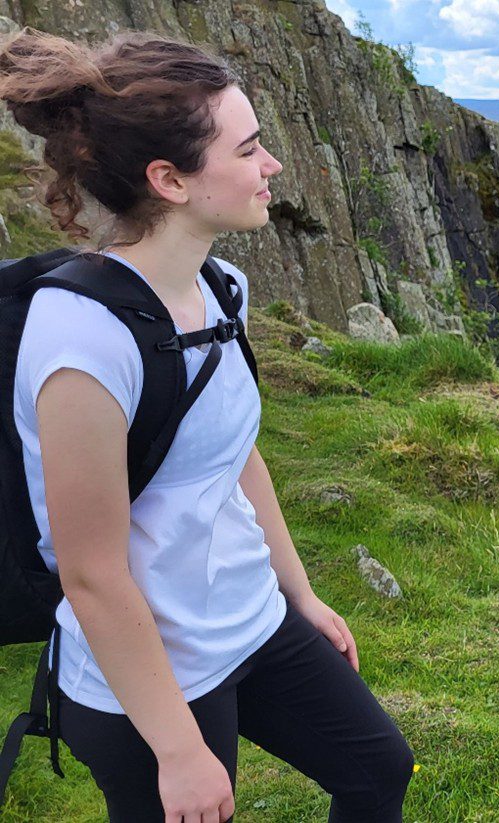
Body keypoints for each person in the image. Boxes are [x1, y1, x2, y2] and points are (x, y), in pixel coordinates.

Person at [0, 27, 414, 822]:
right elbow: (91, 572)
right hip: (149, 681)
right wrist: (179, 749)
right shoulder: (81, 343)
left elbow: (232, 452)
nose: (273, 167)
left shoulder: (220, 288)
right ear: (170, 179)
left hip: (250, 623)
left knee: (377, 769)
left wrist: (302, 595)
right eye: (250, 149)